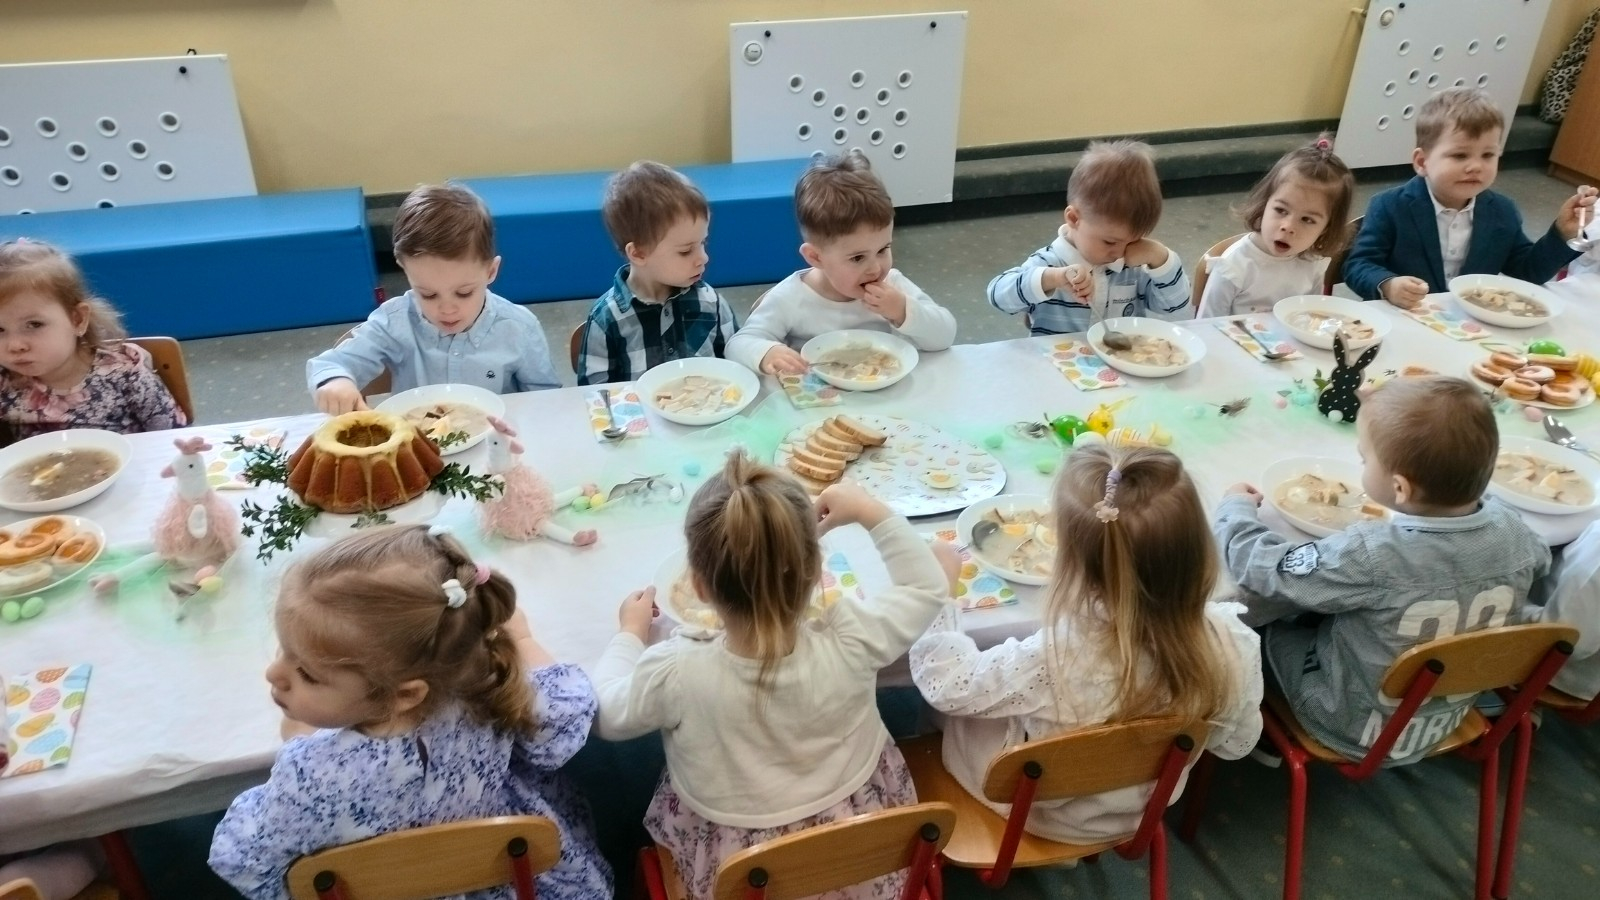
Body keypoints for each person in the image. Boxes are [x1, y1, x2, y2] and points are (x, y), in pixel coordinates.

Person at [593, 454, 960, 899]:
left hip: (745, 877)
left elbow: (604, 714)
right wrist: (869, 511)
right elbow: (926, 587)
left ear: (700, 587)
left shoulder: (676, 670)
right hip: (859, 857)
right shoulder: (854, 639)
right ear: (815, 573)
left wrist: (629, 634)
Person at [209, 525, 610, 899]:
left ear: (404, 695)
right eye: (284, 650)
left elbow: (241, 856)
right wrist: (522, 637)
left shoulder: (307, 776)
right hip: (511, 877)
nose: (273, 674)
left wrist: (299, 744)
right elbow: (563, 720)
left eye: (307, 673)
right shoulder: (483, 687)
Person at [910, 444, 1262, 842]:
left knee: (942, 702)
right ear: (1197, 550)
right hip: (1138, 814)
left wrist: (939, 592)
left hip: (1035, 812)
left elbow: (945, 682)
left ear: (1071, 563)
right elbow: (1237, 743)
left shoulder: (1057, 657)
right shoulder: (1234, 643)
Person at [1214, 377, 1549, 762]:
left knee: (1251, 625)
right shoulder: (1516, 532)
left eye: (1364, 458)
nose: (1361, 463)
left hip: (1347, 720)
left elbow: (1263, 569)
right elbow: (1540, 559)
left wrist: (1235, 510)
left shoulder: (1373, 553)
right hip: (1441, 717)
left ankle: (1263, 736)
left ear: (1400, 489)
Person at [306, 184, 560, 413]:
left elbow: (547, 398)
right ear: (405, 270)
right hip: (416, 445)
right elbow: (330, 364)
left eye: (464, 293)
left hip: (497, 442)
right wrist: (335, 381)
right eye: (427, 294)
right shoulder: (394, 322)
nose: (447, 309)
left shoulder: (519, 327)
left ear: (491, 271)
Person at [1343, 87, 1597, 307]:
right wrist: (1388, 284)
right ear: (1422, 162)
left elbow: (1527, 272)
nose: (1475, 166)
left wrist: (1561, 233)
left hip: (1468, 325)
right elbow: (1358, 265)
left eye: (1488, 155)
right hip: (1403, 320)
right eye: (1460, 155)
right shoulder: (1389, 206)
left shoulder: (1502, 211)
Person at [725, 151, 956, 376]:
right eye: (857, 258)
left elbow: (945, 335)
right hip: (816, 398)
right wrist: (767, 352)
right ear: (816, 257)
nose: (876, 269)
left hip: (886, 392)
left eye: (883, 249)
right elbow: (738, 344)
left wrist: (903, 311)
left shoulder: (893, 285)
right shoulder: (790, 298)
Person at [987, 140, 1190, 335]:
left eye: (1133, 241)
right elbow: (998, 297)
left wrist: (1160, 258)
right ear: (1074, 219)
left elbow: (1174, 306)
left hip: (1121, 357)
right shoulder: (1050, 263)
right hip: (1056, 358)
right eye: (1110, 242)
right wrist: (1053, 278)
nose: (1121, 253)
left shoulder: (1134, 266)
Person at [0, 239, 186, 439]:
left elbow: (172, 435)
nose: (15, 345)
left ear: (77, 320)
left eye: (34, 325)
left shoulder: (125, 374)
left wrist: (184, 446)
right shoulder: (4, 379)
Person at [577, 161, 738, 386]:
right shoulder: (608, 318)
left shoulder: (710, 302)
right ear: (639, 253)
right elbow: (596, 394)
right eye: (685, 251)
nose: (703, 258)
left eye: (703, 243)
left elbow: (737, 368)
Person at [1197, 138, 1356, 317]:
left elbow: (1312, 318)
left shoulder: (1313, 263)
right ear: (1264, 204)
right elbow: (1206, 325)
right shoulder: (1233, 267)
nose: (1288, 227)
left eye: (1307, 219)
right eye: (1281, 210)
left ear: (1326, 228)